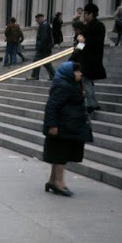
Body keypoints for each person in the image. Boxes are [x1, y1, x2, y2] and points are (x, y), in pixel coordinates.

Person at [43, 62, 92, 197]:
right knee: (61, 156)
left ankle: (53, 181)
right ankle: (59, 183)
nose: (80, 74)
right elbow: (52, 107)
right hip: (63, 126)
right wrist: (52, 125)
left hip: (68, 126)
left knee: (59, 155)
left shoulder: (71, 85)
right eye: (77, 71)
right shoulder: (63, 86)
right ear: (69, 73)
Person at [77, 3, 106, 113]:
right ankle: (93, 103)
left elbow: (98, 41)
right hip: (86, 58)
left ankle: (91, 104)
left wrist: (84, 41)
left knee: (86, 80)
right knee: (87, 81)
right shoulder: (87, 26)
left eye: (86, 14)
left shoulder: (99, 26)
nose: (84, 16)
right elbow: (82, 40)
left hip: (93, 58)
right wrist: (78, 47)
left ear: (91, 14)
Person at [26, 13, 55, 80]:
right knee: (46, 63)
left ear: (40, 18)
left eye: (37, 20)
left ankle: (34, 75)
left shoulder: (44, 25)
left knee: (36, 61)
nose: (37, 22)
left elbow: (43, 37)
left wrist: (40, 47)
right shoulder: (45, 24)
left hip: (43, 48)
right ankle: (53, 76)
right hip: (46, 47)